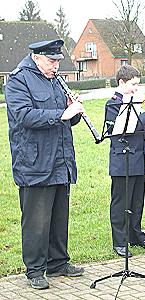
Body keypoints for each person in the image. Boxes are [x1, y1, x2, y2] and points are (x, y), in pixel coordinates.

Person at [5, 39, 84, 290]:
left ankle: (58, 262)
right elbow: (24, 116)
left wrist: (74, 112)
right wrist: (61, 114)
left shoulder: (56, 80)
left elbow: (67, 122)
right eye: (52, 61)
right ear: (37, 58)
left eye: (58, 61)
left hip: (60, 160)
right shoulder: (18, 79)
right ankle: (35, 270)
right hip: (34, 161)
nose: (56, 66)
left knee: (59, 216)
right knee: (36, 220)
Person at [104, 65, 145, 258]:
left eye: (138, 83)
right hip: (122, 160)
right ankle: (119, 241)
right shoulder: (113, 104)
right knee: (121, 202)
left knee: (137, 200)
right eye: (133, 84)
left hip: (138, 157)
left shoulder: (135, 102)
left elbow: (141, 130)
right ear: (121, 82)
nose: (137, 88)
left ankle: (135, 235)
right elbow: (121, 130)